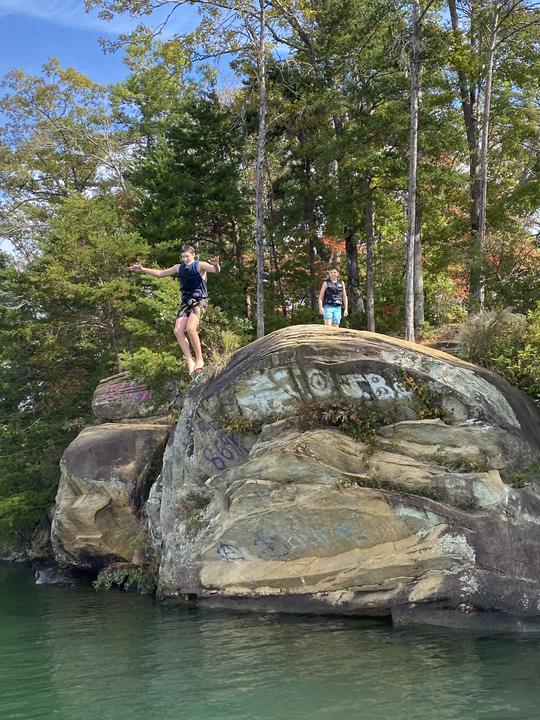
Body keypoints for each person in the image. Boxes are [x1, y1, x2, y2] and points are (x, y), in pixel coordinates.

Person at [129, 246, 220, 375]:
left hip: (200, 301)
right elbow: (160, 274)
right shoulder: (179, 267)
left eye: (187, 256)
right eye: (183, 257)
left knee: (190, 328)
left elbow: (215, 270)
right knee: (178, 330)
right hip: (186, 302)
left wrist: (216, 265)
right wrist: (143, 269)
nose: (185, 259)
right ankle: (190, 360)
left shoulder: (200, 265)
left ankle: (200, 359)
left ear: (193, 255)